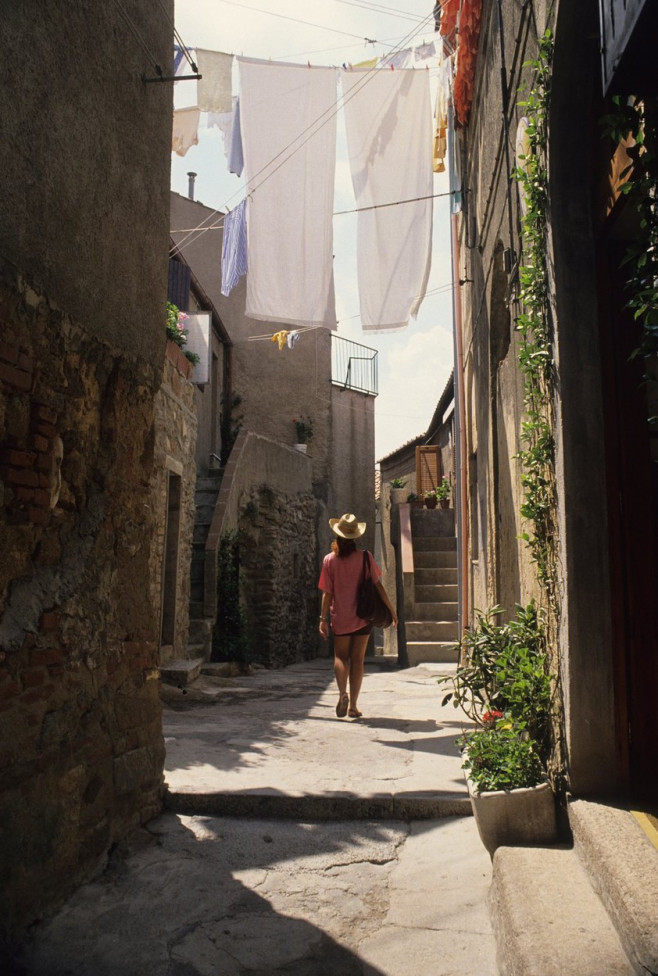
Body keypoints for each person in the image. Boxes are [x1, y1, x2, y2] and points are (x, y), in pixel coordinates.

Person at [318, 513, 397, 719]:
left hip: (341, 616)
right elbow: (377, 585)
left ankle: (342, 692)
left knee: (340, 656)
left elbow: (327, 593)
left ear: (337, 536)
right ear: (354, 537)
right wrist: (391, 609)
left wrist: (322, 619)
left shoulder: (329, 560)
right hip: (363, 616)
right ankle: (353, 706)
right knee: (358, 659)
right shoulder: (365, 557)